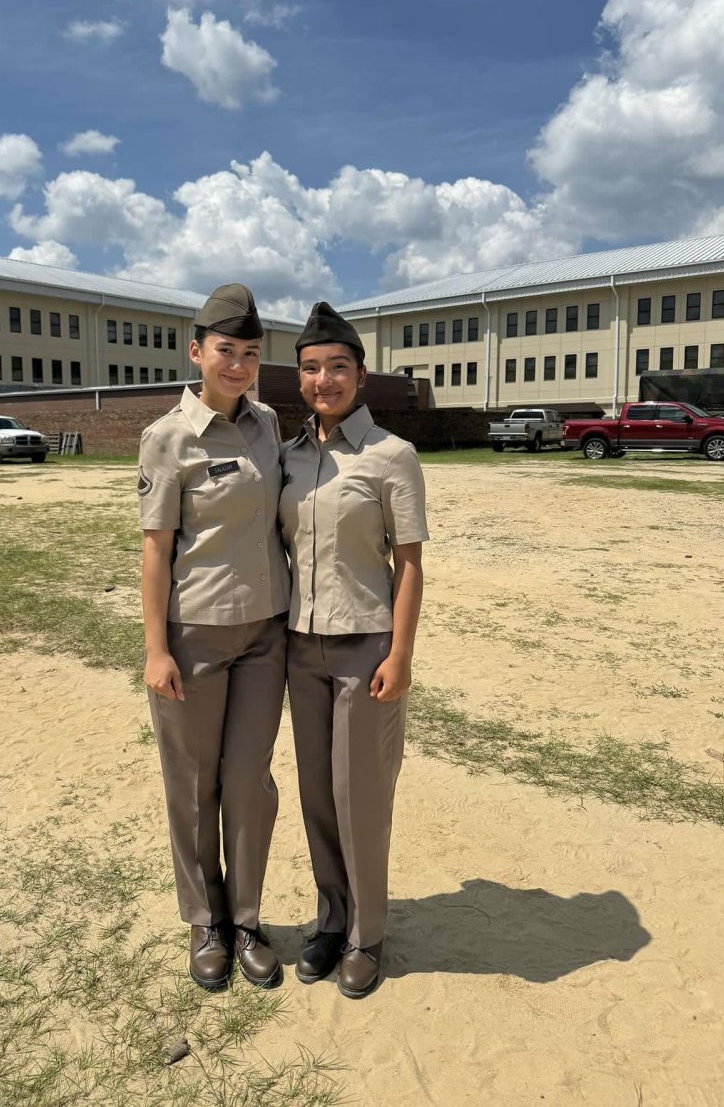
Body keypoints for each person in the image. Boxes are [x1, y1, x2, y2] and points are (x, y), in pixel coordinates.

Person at [138, 283, 289, 991]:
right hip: (194, 634)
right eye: (226, 351)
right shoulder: (167, 438)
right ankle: (205, 921)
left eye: (251, 353)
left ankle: (248, 916)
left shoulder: (266, 424)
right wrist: (156, 648)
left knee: (248, 783)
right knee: (193, 786)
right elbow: (155, 551)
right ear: (197, 352)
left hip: (265, 633)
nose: (238, 364)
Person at [279, 301, 428, 999]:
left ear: (360, 376)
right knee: (316, 796)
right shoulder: (288, 456)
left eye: (337, 367)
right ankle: (331, 918)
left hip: (365, 649)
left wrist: (398, 656)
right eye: (311, 368)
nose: (323, 380)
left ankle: (367, 933)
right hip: (299, 650)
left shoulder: (391, 457)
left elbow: (410, 567)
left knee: (359, 797)